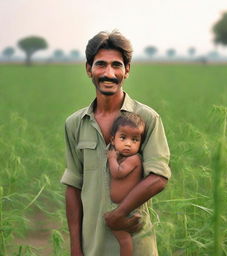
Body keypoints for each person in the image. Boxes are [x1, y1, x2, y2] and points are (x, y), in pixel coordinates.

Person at [61, 30, 171, 256]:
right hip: (92, 244)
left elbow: (158, 177)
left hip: (135, 241)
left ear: (127, 70)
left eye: (117, 65)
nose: (108, 73)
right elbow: (73, 186)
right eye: (101, 64)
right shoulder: (74, 123)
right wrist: (75, 247)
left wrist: (120, 213)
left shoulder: (147, 118)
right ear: (88, 69)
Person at [107, 112, 146, 256]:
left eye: (135, 140)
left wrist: (111, 158)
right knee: (120, 236)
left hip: (127, 208)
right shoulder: (124, 158)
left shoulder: (134, 159)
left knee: (124, 239)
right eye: (123, 138)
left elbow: (117, 173)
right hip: (119, 206)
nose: (128, 143)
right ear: (112, 139)